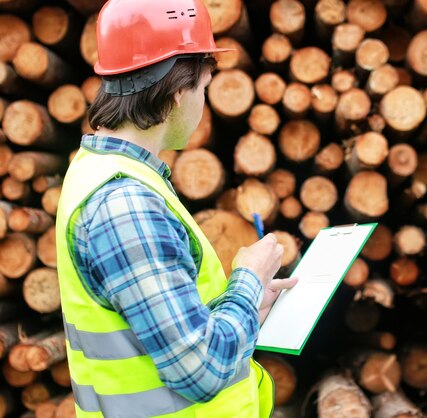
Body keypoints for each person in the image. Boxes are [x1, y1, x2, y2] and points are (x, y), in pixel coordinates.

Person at [55, 0, 297, 416]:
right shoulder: (125, 204)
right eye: (203, 87)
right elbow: (200, 368)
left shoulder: (102, 172)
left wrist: (244, 304)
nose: (203, 101)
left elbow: (162, 332)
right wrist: (248, 277)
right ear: (178, 89)